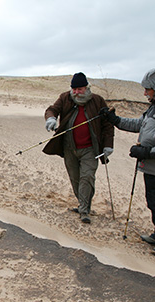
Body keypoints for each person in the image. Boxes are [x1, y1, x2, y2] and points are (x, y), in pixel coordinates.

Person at [100, 68, 155, 256]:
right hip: (151, 167)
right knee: (153, 202)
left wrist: (146, 152)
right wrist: (114, 120)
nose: (145, 93)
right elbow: (138, 125)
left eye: (147, 89)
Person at [43, 72, 115, 224]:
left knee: (87, 178)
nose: (76, 92)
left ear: (87, 88)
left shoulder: (97, 101)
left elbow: (108, 125)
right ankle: (83, 203)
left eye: (79, 89)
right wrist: (51, 118)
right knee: (75, 179)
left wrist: (108, 146)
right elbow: (52, 109)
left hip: (90, 149)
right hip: (69, 148)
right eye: (74, 89)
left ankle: (84, 210)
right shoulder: (65, 98)